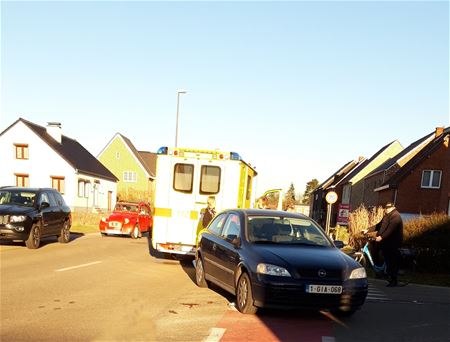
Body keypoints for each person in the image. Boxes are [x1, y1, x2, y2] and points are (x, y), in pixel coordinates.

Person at [369, 202, 404, 287]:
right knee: (387, 260)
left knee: (391, 262)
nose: (386, 209)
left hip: (392, 243)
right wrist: (368, 230)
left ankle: (393, 280)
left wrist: (381, 237)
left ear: (393, 207)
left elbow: (390, 230)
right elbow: (379, 225)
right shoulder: (387, 215)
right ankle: (383, 274)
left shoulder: (396, 216)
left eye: (388, 208)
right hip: (386, 243)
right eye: (386, 208)